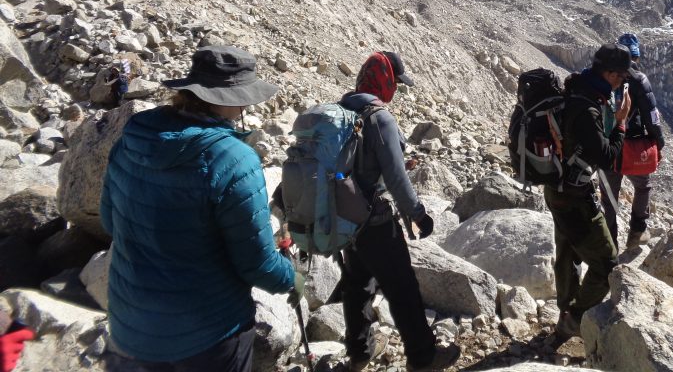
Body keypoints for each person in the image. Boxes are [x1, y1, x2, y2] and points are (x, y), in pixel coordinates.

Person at [100, 46, 296, 371]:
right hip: (207, 334)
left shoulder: (135, 135)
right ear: (227, 99)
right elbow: (256, 265)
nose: (248, 103)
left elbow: (110, 220)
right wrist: (292, 278)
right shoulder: (234, 159)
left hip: (130, 328)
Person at [326, 51, 460, 372]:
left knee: (358, 283)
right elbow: (396, 180)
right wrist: (418, 214)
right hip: (375, 221)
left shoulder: (342, 109)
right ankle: (423, 357)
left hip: (347, 218)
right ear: (384, 80)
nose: (396, 89)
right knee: (402, 287)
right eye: (396, 82)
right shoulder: (379, 116)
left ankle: (358, 351)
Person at [546, 42, 631, 341]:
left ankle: (564, 316)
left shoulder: (578, 87)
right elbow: (606, 156)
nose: (622, 81)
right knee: (607, 264)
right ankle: (575, 318)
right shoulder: (587, 105)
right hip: (574, 198)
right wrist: (620, 124)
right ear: (608, 73)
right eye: (620, 76)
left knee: (568, 253)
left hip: (557, 189)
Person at [599, 32, 665, 251]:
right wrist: (658, 143)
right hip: (632, 145)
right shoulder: (639, 80)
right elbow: (651, 116)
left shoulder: (603, 75)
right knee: (643, 186)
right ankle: (637, 231)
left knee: (609, 198)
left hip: (607, 145)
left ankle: (610, 246)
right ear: (636, 56)